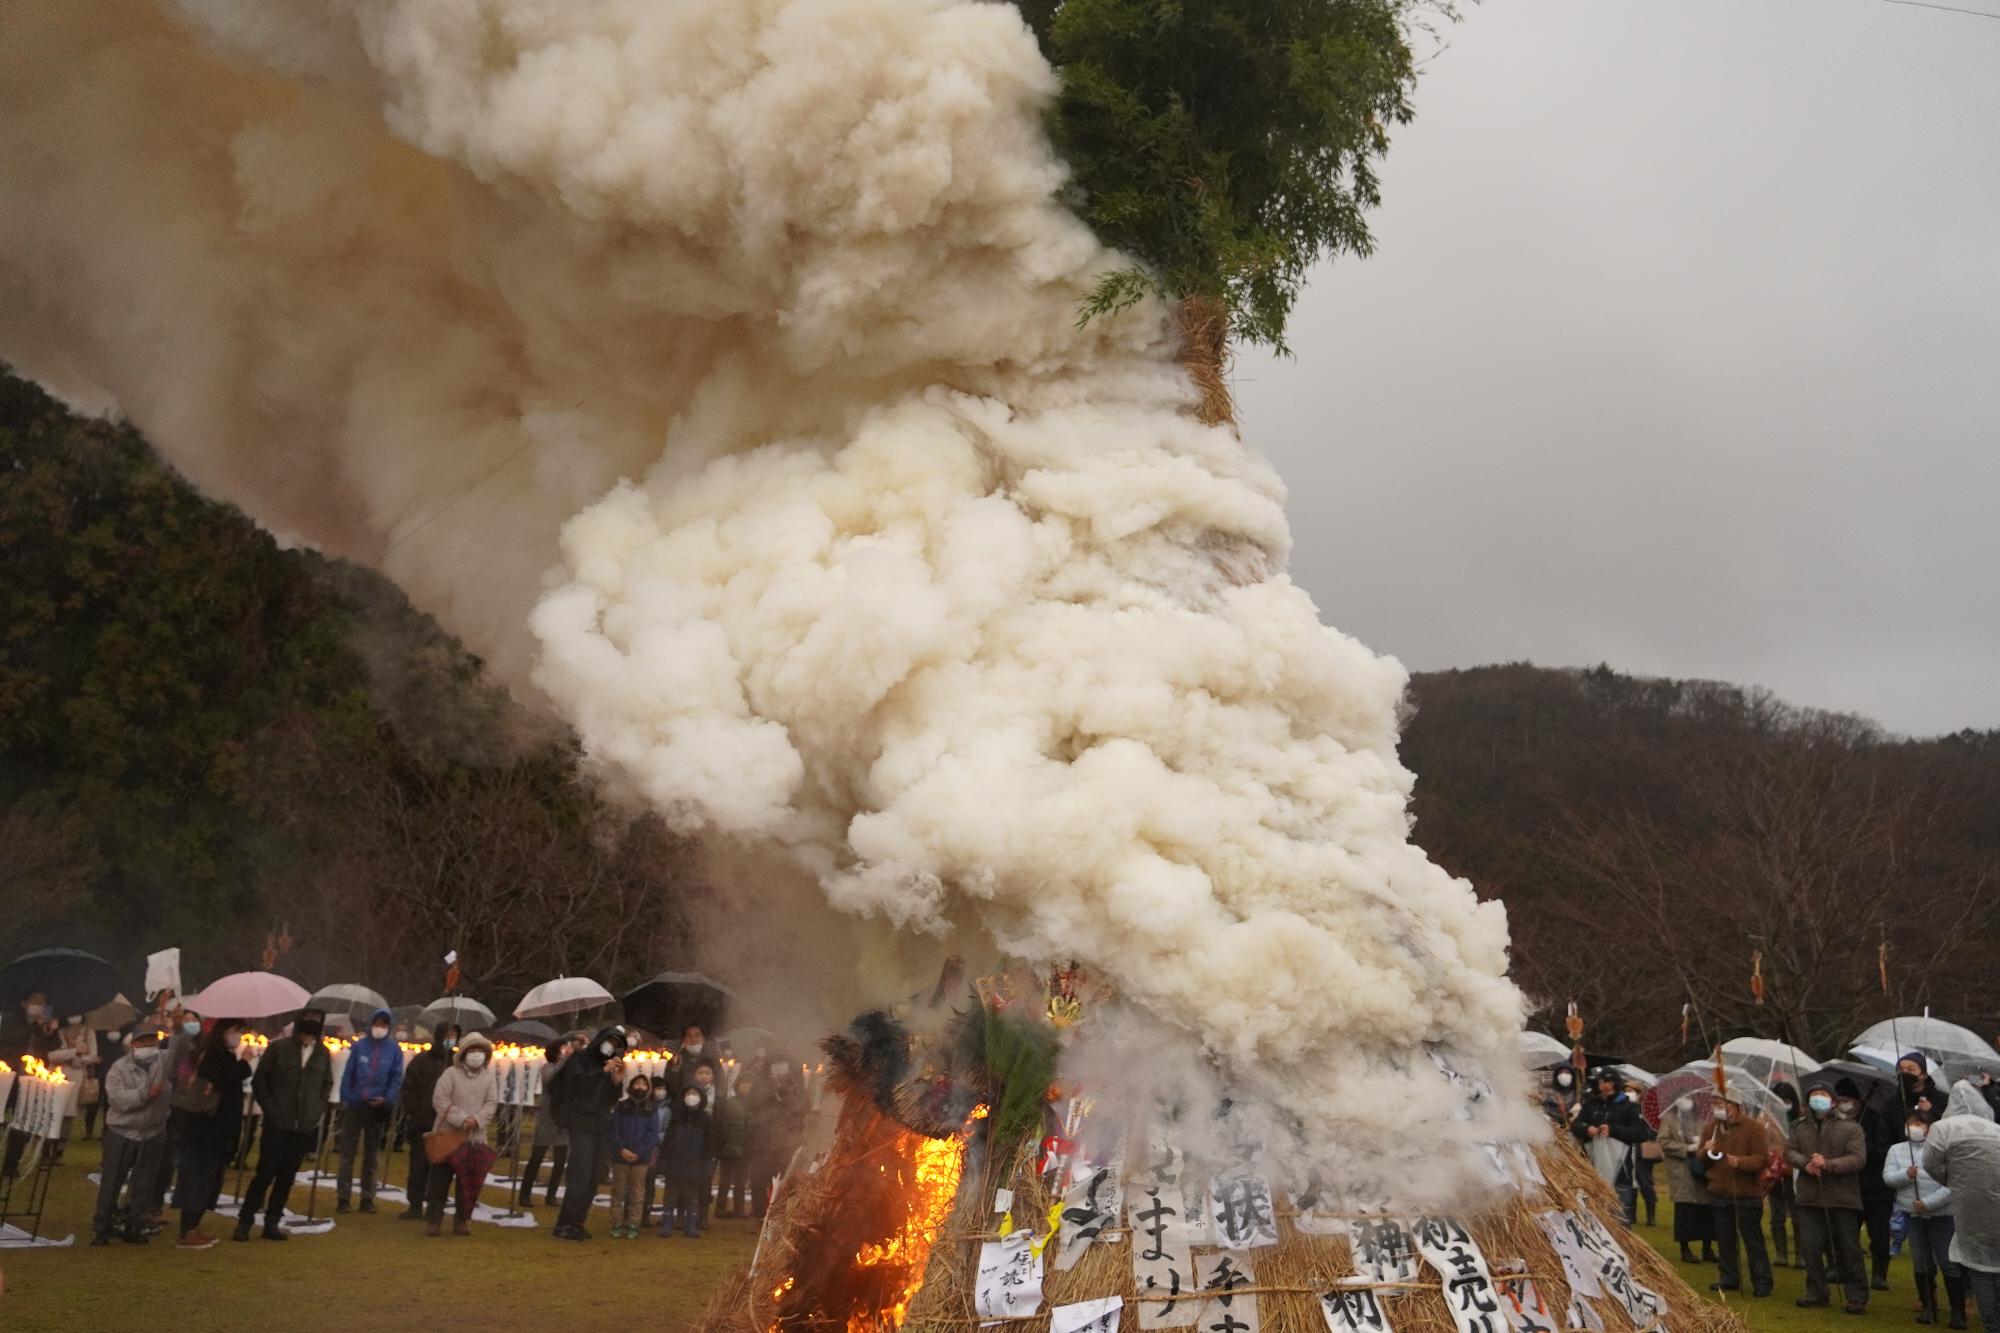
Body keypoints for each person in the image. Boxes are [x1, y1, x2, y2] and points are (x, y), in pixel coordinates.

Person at [233, 1008, 332, 1241]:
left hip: (303, 1126)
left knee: (287, 1176)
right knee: (265, 1173)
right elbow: (261, 1081)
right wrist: (272, 1110)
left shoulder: (322, 1054)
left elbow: (326, 1084)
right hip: (277, 1124)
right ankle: (245, 1222)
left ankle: (272, 1222)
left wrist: (315, 1110)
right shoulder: (279, 1048)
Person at [169, 1017, 252, 1250]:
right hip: (204, 1128)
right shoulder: (212, 1054)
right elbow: (221, 1080)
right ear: (224, 1030)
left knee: (207, 1179)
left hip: (214, 1129)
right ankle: (187, 1231)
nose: (239, 1036)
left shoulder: (217, 1052)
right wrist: (244, 1063)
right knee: (197, 1178)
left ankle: (194, 1226)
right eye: (237, 1031)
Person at [1788, 1079, 1869, 1312]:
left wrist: (1828, 1164)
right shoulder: (1798, 1126)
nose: (1818, 1098)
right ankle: (1816, 1291)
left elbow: (1858, 1158)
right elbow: (1789, 1151)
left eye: (1823, 1094)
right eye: (1814, 1094)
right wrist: (1805, 1164)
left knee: (1849, 1247)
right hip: (1809, 1196)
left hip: (1842, 1197)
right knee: (1811, 1247)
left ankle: (1857, 1295)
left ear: (1833, 1100)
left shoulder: (1851, 1128)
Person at [1924, 1081, 2000, 1330]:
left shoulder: (1942, 1128)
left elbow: (1931, 1164)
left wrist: (1955, 1181)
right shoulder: (1996, 1129)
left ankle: (1991, 1322)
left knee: (1978, 1267)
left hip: (1970, 1208)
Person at [91, 1027, 170, 1245]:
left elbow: (181, 1049)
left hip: (153, 1132)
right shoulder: (119, 1068)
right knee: (112, 1181)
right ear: (133, 1044)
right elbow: (118, 1100)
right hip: (121, 1131)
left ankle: (135, 1226)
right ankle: (102, 1227)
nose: (148, 1047)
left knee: (145, 1182)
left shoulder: (164, 1064)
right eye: (143, 1042)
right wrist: (146, 1095)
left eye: (152, 1042)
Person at [550, 1024, 627, 1241]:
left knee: (594, 1176)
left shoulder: (609, 1066)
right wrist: (602, 1072)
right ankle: (565, 1223)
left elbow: (610, 1099)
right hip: (581, 1122)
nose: (611, 1047)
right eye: (610, 1041)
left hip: (600, 1123)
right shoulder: (579, 1059)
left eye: (617, 1045)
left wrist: (616, 1081)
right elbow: (577, 1086)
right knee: (580, 1174)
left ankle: (578, 1221)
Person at [1888, 1106, 1961, 1326]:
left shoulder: (1944, 1150)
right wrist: (1905, 1175)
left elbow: (1952, 1184)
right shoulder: (1896, 1150)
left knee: (1948, 1263)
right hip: (1912, 1215)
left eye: (1919, 1124)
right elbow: (1889, 1178)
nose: (1914, 1128)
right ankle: (1929, 1307)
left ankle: (1958, 1312)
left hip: (1942, 1216)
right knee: (1921, 1263)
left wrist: (1928, 1204)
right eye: (1911, 1123)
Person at [1699, 1092, 1775, 1296]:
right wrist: (1705, 1151)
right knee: (1725, 1240)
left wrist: (1741, 1163)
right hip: (1719, 1192)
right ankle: (1728, 1277)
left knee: (1753, 1240)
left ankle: (1762, 1280)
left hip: (1746, 1193)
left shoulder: (1754, 1128)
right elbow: (1701, 1160)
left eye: (1721, 1103)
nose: (1717, 1108)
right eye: (1714, 1103)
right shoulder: (1712, 1127)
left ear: (1735, 1105)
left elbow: (1762, 1159)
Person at [425, 1031, 499, 1236]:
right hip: (447, 1134)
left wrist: (476, 1120)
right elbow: (440, 1100)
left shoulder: (489, 1077)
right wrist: (461, 1118)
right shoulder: (450, 1074)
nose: (476, 1055)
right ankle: (434, 1220)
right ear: (464, 1053)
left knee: (468, 1183)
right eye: (472, 1050)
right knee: (440, 1180)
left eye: (480, 1051)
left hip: (475, 1137)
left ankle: (462, 1220)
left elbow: (491, 1103)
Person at [334, 1006, 405, 1213]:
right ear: (371, 1024)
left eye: (384, 1025)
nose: (379, 1028)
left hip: (377, 1107)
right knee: (348, 1153)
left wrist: (387, 1098)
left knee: (371, 1155)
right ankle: (343, 1197)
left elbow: (395, 1078)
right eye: (377, 1024)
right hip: (356, 1105)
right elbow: (349, 1073)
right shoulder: (359, 1047)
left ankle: (367, 1198)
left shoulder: (393, 1050)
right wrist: (347, 1097)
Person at [1571, 1067, 1651, 1226]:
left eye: (1605, 1081)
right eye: (1600, 1081)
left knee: (1619, 1217)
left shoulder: (1629, 1107)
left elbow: (1641, 1133)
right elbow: (1576, 1125)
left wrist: (1613, 1130)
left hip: (1621, 1168)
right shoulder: (1591, 1104)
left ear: (1613, 1083)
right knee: (1594, 1215)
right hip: (1593, 1166)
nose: (1602, 1085)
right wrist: (1587, 1129)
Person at [398, 1024, 459, 1221]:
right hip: (423, 1121)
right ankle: (415, 1204)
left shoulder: (457, 1064)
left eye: (455, 1036)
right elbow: (409, 1087)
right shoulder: (422, 1061)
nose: (452, 1039)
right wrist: (414, 1110)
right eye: (449, 1035)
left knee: (441, 1169)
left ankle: (435, 1206)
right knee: (418, 1166)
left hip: (447, 1123)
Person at [520, 1031, 582, 1208]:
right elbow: (553, 1077)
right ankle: (525, 1194)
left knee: (560, 1160)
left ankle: (552, 1194)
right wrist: (565, 1060)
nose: (566, 1051)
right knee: (537, 1157)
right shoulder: (548, 1067)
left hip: (564, 1117)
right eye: (563, 1048)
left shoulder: (569, 1068)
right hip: (548, 1117)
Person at [1848, 1081, 1900, 1292]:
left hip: (1877, 1188)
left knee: (1878, 1235)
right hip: (1850, 1188)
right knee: (1848, 1234)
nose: (1846, 1105)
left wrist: (1860, 1152)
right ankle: (1849, 1270)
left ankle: (1879, 1273)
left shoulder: (1878, 1119)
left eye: (1849, 1100)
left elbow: (1883, 1149)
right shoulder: (1843, 1122)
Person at [1657, 1095, 1718, 1264]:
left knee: (1706, 1208)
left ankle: (1708, 1248)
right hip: (1681, 1170)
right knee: (1684, 1209)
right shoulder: (1669, 1119)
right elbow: (1663, 1141)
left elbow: (1713, 1137)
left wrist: (1702, 1143)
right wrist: (1685, 1148)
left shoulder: (1703, 1117)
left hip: (1702, 1168)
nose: (1686, 1101)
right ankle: (1685, 1249)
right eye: (1683, 1096)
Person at [607, 1074, 660, 1239]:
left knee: (637, 1192)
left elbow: (652, 1134)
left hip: (641, 1159)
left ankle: (633, 1224)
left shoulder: (651, 1109)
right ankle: (616, 1222)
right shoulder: (621, 1106)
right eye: (637, 1083)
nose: (640, 1087)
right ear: (631, 1086)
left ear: (648, 1089)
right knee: (618, 1191)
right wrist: (622, 1149)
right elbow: (614, 1130)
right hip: (620, 1157)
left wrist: (639, 1152)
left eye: (644, 1085)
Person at [658, 1080, 712, 1239]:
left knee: (691, 1198)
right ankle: (667, 1225)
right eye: (688, 1094)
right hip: (674, 1164)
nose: (691, 1097)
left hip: (694, 1166)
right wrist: (663, 1160)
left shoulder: (706, 1119)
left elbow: (709, 1145)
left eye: (695, 1094)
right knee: (670, 1197)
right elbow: (668, 1140)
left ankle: (690, 1226)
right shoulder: (677, 1116)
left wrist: (706, 1165)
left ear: (701, 1097)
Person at [1768, 1081, 1803, 1267]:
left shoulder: (1801, 1120)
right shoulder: (1766, 1119)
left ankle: (1800, 1255)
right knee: (1777, 1214)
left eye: (1787, 1100)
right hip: (1774, 1171)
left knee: (1798, 1215)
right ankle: (1781, 1254)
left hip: (1795, 1170)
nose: (1783, 1104)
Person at [714, 1069, 754, 1218]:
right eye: (744, 1083)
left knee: (741, 1181)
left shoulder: (753, 1106)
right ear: (737, 1085)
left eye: (749, 1084)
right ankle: (721, 1208)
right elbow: (722, 1124)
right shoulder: (729, 1103)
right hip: (729, 1148)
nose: (746, 1086)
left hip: (746, 1148)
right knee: (725, 1180)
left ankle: (739, 1209)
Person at [1900, 1054, 1949, 1124]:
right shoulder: (1894, 1101)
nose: (1904, 1072)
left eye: (1911, 1069)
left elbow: (1949, 1125)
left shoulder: (1943, 1099)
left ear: (1924, 1074)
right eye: (1901, 1069)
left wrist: (1931, 1111)